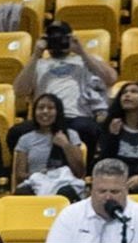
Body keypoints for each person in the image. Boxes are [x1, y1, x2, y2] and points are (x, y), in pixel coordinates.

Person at [14, 19, 114, 149]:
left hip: (77, 116)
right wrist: (36, 54)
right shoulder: (38, 64)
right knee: (16, 133)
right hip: (44, 117)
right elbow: (20, 91)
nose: (57, 41)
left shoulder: (86, 60)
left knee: (88, 130)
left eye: (61, 37)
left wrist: (81, 51)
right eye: (52, 38)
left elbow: (110, 78)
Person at [45, 159, 138, 243]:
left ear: (126, 191)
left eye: (114, 192)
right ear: (90, 190)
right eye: (102, 191)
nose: (108, 197)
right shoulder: (70, 215)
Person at [9, 93, 88, 200]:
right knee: (22, 193)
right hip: (35, 183)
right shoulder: (25, 139)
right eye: (40, 108)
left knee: (66, 193)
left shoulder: (70, 135)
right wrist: (39, 175)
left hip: (63, 183)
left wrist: (65, 145)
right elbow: (19, 175)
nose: (45, 111)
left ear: (58, 112)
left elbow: (79, 172)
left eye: (50, 108)